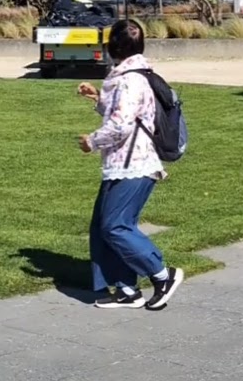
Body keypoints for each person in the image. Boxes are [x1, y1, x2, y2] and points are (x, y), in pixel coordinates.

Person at [74, 24, 181, 311]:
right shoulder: (129, 76)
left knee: (115, 226)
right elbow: (127, 113)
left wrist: (91, 142)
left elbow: (121, 125)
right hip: (122, 164)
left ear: (114, 47)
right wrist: (98, 98)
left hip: (134, 165)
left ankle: (162, 275)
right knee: (102, 227)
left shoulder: (130, 80)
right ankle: (125, 290)